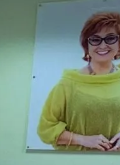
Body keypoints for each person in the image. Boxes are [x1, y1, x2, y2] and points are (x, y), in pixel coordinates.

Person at [37, 11, 120, 151]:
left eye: (110, 38)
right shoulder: (68, 84)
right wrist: (83, 139)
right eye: (95, 39)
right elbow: (46, 128)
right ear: (86, 45)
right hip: (76, 161)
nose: (102, 45)